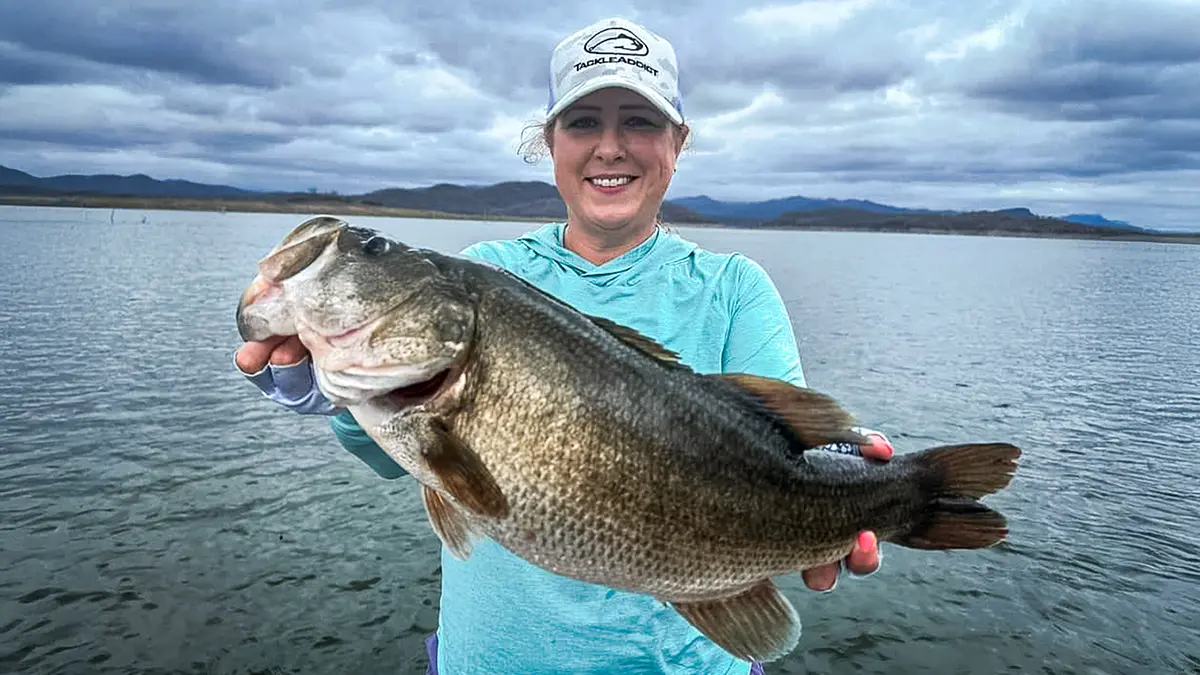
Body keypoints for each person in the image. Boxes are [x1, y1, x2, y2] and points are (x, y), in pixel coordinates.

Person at [235, 16, 894, 675]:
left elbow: (789, 456)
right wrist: (327, 386)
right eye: (583, 123)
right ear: (550, 142)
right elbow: (388, 454)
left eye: (640, 121)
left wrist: (858, 479)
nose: (610, 147)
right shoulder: (489, 270)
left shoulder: (734, 289)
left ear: (678, 142)